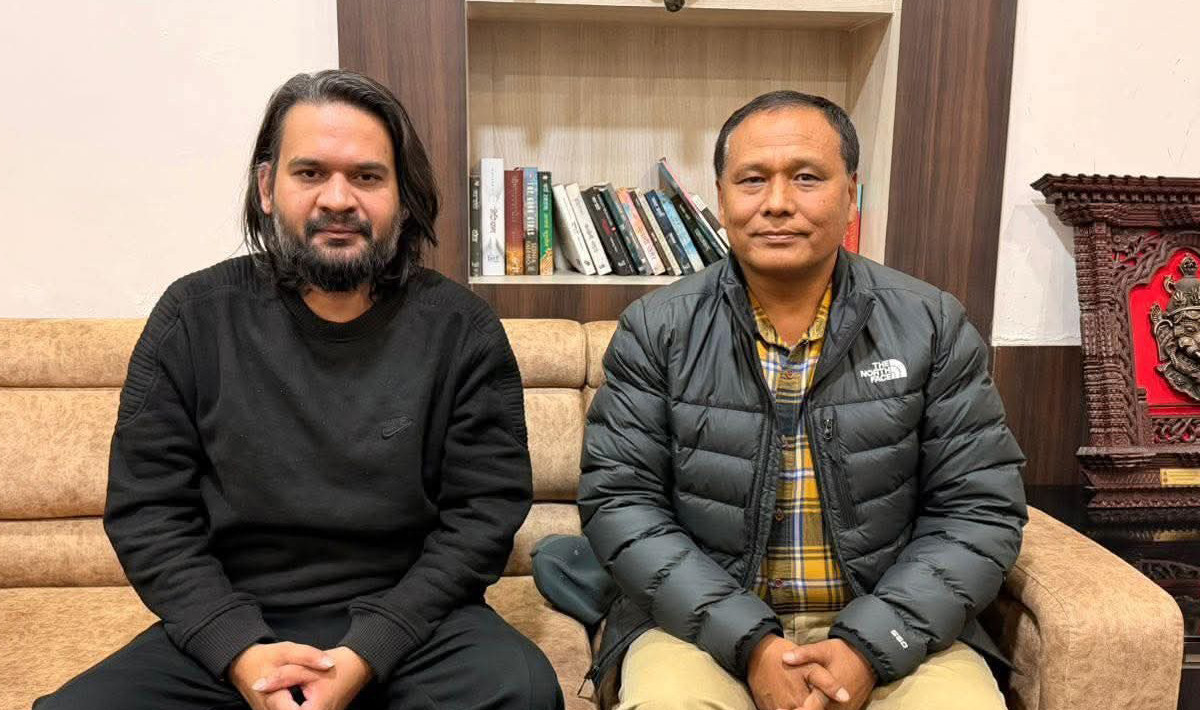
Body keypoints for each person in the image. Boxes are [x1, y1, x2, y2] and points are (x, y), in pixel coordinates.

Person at [35, 70, 563, 710]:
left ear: (402, 196)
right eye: (310, 173)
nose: (338, 199)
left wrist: (367, 652)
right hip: (238, 619)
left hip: (412, 624)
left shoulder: (462, 330)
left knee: (521, 693)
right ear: (267, 187)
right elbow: (148, 513)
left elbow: (483, 518)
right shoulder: (193, 317)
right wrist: (240, 652)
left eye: (367, 177)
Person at [579, 90, 1027, 710]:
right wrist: (751, 644)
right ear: (721, 198)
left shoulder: (930, 324)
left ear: (851, 194)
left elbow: (978, 509)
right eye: (752, 180)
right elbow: (620, 503)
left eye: (807, 178)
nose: (777, 203)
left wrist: (869, 646)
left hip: (890, 617)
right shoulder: (657, 328)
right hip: (700, 625)